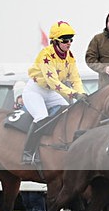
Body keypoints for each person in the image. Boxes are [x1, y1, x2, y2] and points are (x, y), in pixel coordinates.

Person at [21, 21, 87, 165]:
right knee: (41, 117)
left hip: (50, 92)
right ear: (55, 41)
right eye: (65, 40)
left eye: (71, 40)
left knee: (67, 111)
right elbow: (54, 82)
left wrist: (81, 93)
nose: (69, 43)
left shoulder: (69, 56)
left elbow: (75, 78)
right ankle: (28, 152)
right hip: (35, 90)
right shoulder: (46, 55)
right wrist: (74, 95)